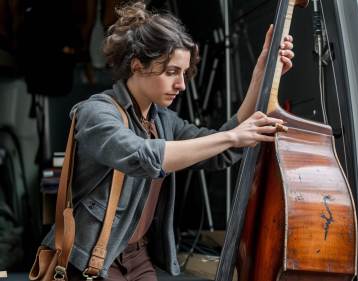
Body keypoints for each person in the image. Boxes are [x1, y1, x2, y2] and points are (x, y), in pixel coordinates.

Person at [40, 1, 295, 281]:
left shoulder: (163, 120)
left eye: (184, 73)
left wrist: (260, 77)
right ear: (137, 65)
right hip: (92, 259)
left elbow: (221, 151)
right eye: (172, 71)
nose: (182, 85)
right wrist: (231, 136)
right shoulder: (96, 113)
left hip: (138, 259)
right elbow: (143, 157)